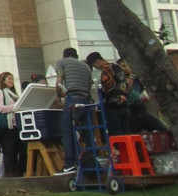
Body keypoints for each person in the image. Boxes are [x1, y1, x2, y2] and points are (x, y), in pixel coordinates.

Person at [54, 47, 92, 175]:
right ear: (76, 55)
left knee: (67, 131)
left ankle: (70, 164)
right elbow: (89, 84)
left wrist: (58, 96)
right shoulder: (86, 66)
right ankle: (92, 160)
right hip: (85, 100)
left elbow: (59, 81)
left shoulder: (62, 62)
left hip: (72, 98)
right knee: (86, 132)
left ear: (65, 55)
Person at [87, 52, 131, 136]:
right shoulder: (117, 66)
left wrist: (102, 90)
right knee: (125, 132)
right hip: (124, 103)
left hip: (113, 104)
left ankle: (118, 149)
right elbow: (125, 83)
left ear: (97, 61)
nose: (95, 67)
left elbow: (108, 86)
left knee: (116, 133)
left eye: (94, 65)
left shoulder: (106, 69)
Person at [0, 71, 25, 177]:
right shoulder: (0, 92)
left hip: (17, 124)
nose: (11, 81)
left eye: (12, 79)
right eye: (9, 79)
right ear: (3, 80)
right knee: (9, 150)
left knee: (18, 150)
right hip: (7, 125)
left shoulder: (14, 93)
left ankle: (18, 172)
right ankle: (9, 173)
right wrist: (14, 107)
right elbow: (1, 108)